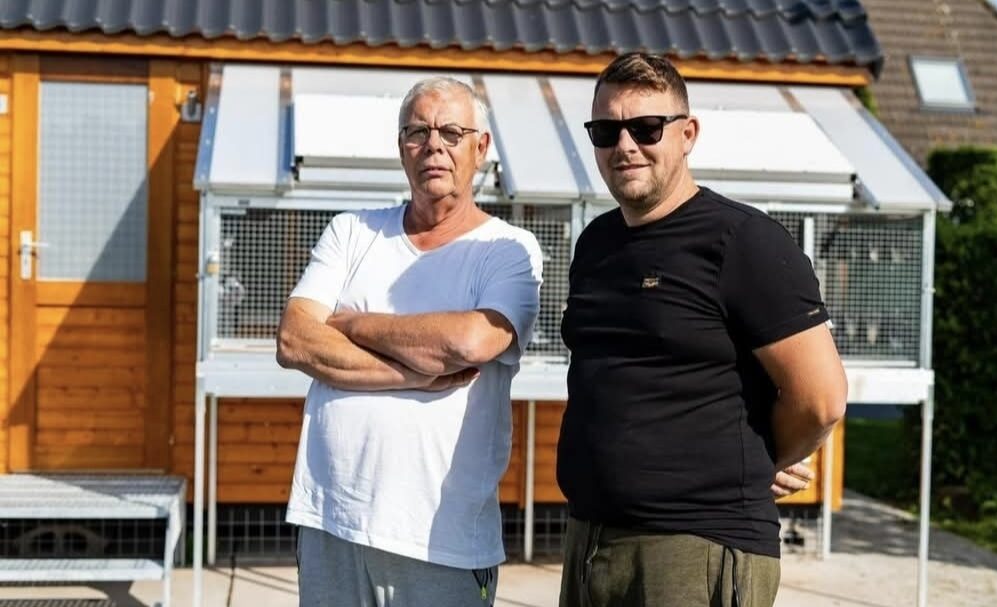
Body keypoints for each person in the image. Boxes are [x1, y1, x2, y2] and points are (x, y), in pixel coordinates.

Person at [557, 52, 848, 607]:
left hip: (696, 548)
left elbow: (821, 398)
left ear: (687, 134)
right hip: (590, 539)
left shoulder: (743, 241)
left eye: (646, 128)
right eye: (606, 131)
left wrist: (763, 459)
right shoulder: (596, 244)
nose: (625, 145)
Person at [276, 76, 542, 607]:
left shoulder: (508, 249)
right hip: (332, 522)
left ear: (481, 148)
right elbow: (295, 338)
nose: (434, 145)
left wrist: (352, 324)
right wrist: (416, 373)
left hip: (440, 541)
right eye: (418, 132)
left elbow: (468, 343)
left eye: (451, 132)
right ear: (401, 147)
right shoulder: (352, 231)